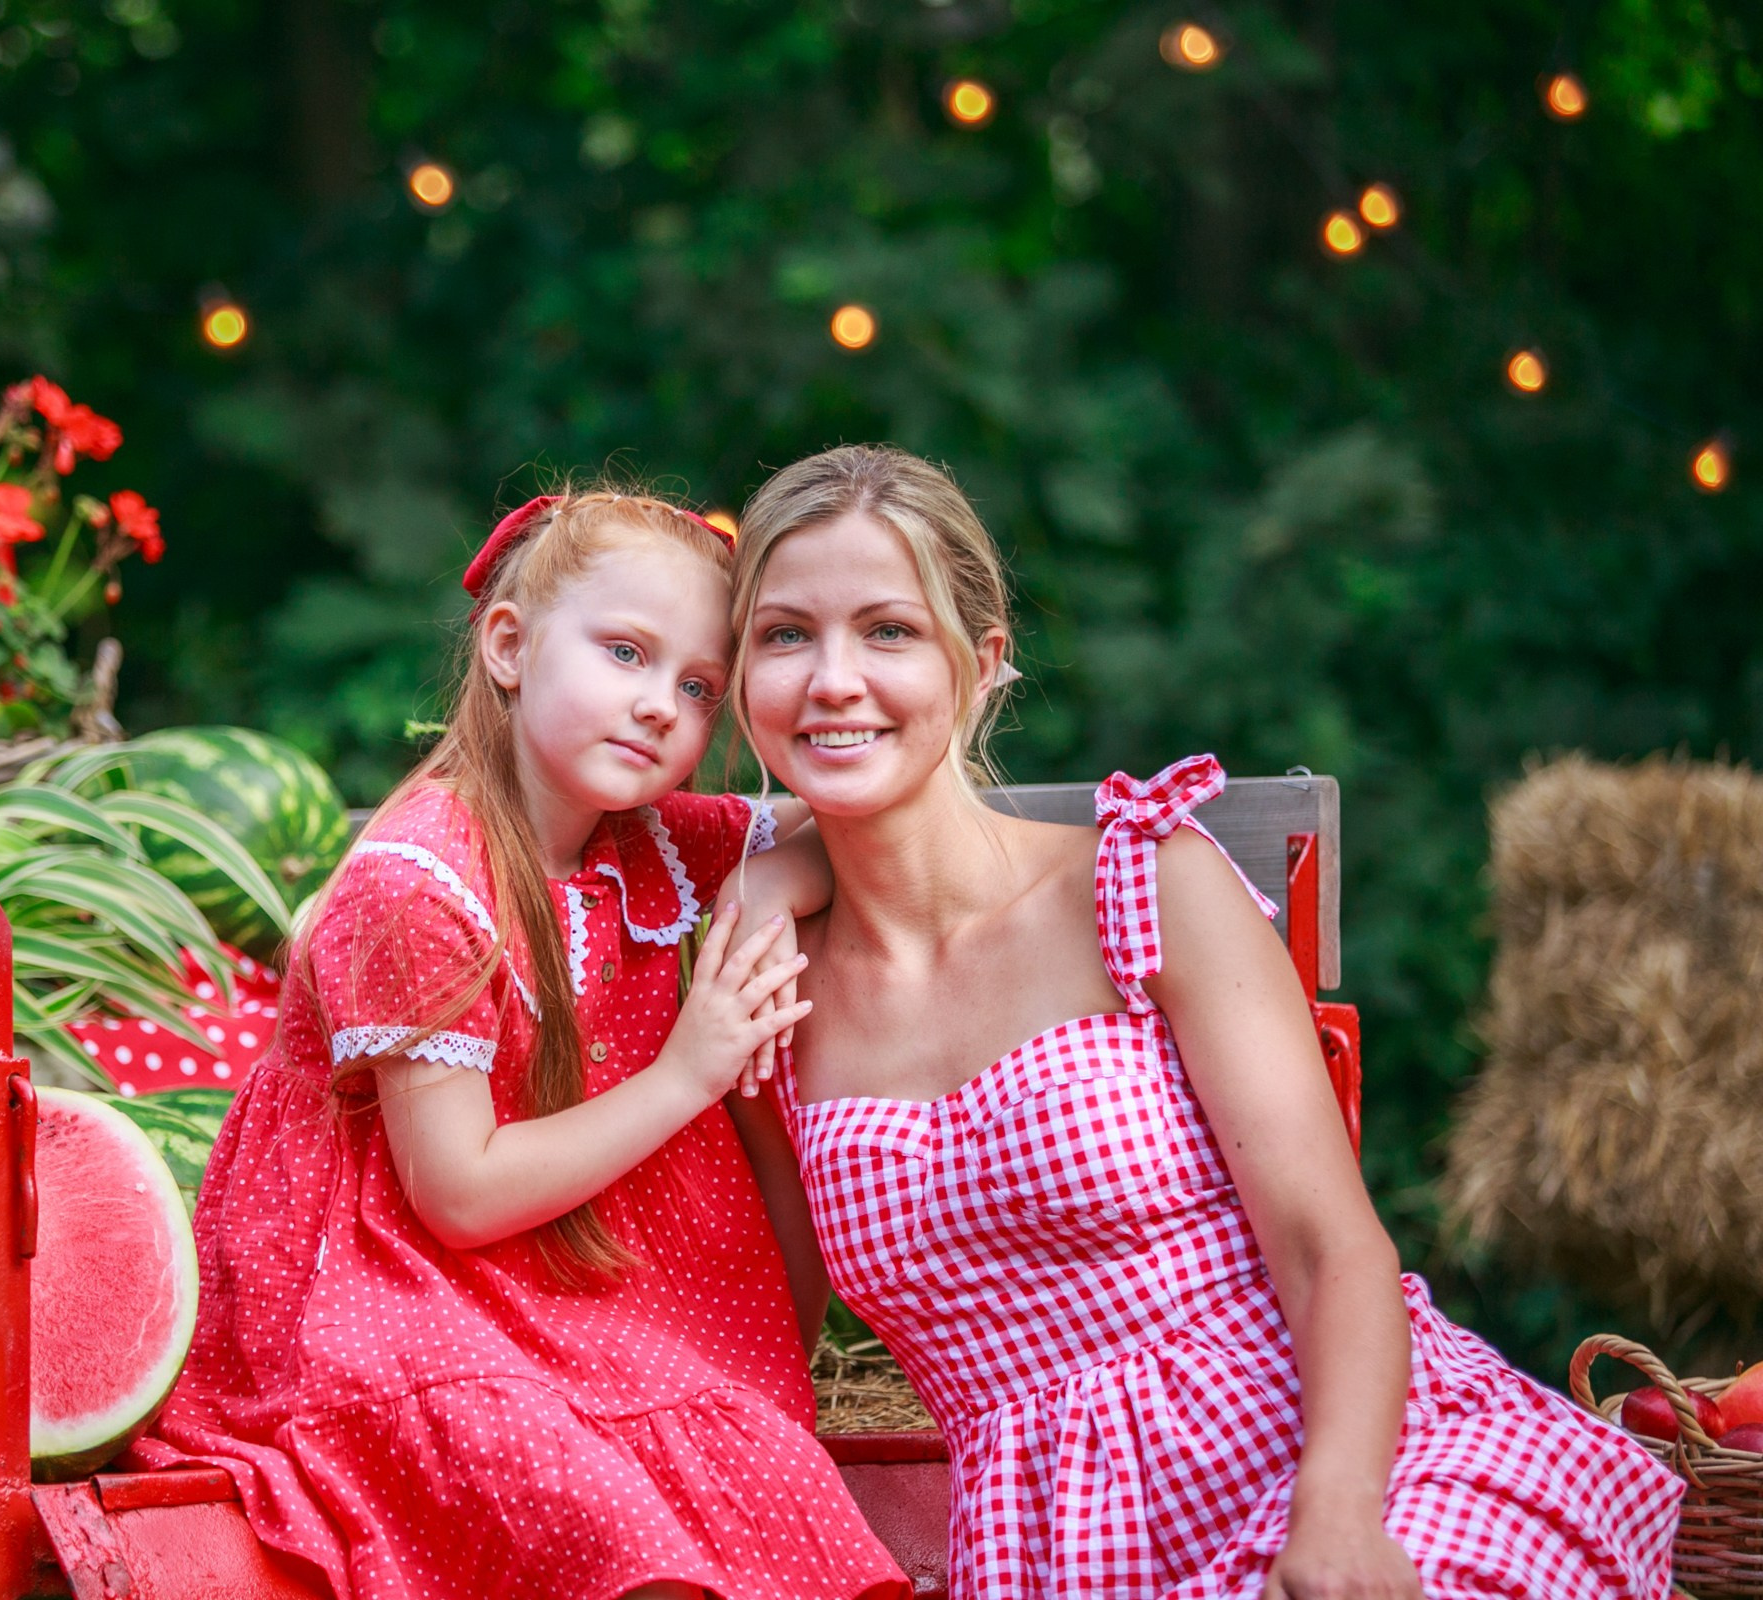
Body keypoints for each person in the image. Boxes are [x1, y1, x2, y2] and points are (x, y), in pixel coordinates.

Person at [724, 444, 1683, 1600]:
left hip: (1345, 1455)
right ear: (737, 676)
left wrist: (1335, 1524)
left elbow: (1331, 1250)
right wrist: (769, 875)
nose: (833, 679)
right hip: (1058, 1549)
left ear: (980, 665)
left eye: (889, 630)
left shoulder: (1144, 882)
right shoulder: (767, 997)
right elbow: (759, 1338)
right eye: (785, 634)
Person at [161, 486, 910, 1600]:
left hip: (603, 1311)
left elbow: (839, 828)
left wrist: (759, 887)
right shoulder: (419, 885)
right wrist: (690, 1070)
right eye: (624, 652)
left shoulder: (647, 839)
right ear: (509, 646)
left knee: (762, 1491)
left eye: (698, 686)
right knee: (591, 1511)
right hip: (411, 1297)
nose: (660, 705)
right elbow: (457, 1194)